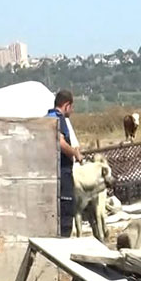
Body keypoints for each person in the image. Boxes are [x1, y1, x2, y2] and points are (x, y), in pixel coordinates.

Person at [46, 90, 82, 237]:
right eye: (71, 107)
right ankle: (64, 239)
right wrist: (75, 153)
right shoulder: (58, 119)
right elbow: (59, 142)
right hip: (62, 173)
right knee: (67, 210)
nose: (71, 111)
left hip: (50, 172)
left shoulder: (47, 117)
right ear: (66, 105)